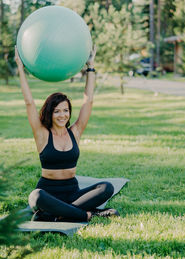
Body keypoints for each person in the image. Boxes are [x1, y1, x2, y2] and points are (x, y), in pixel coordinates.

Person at [15, 46, 119, 222]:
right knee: (36, 196)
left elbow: (89, 101)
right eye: (57, 111)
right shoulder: (42, 134)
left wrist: (90, 67)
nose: (62, 115)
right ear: (49, 113)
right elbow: (29, 103)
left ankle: (58, 214)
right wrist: (20, 68)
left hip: (73, 194)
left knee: (107, 187)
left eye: (65, 110)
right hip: (48, 194)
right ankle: (87, 214)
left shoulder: (75, 132)